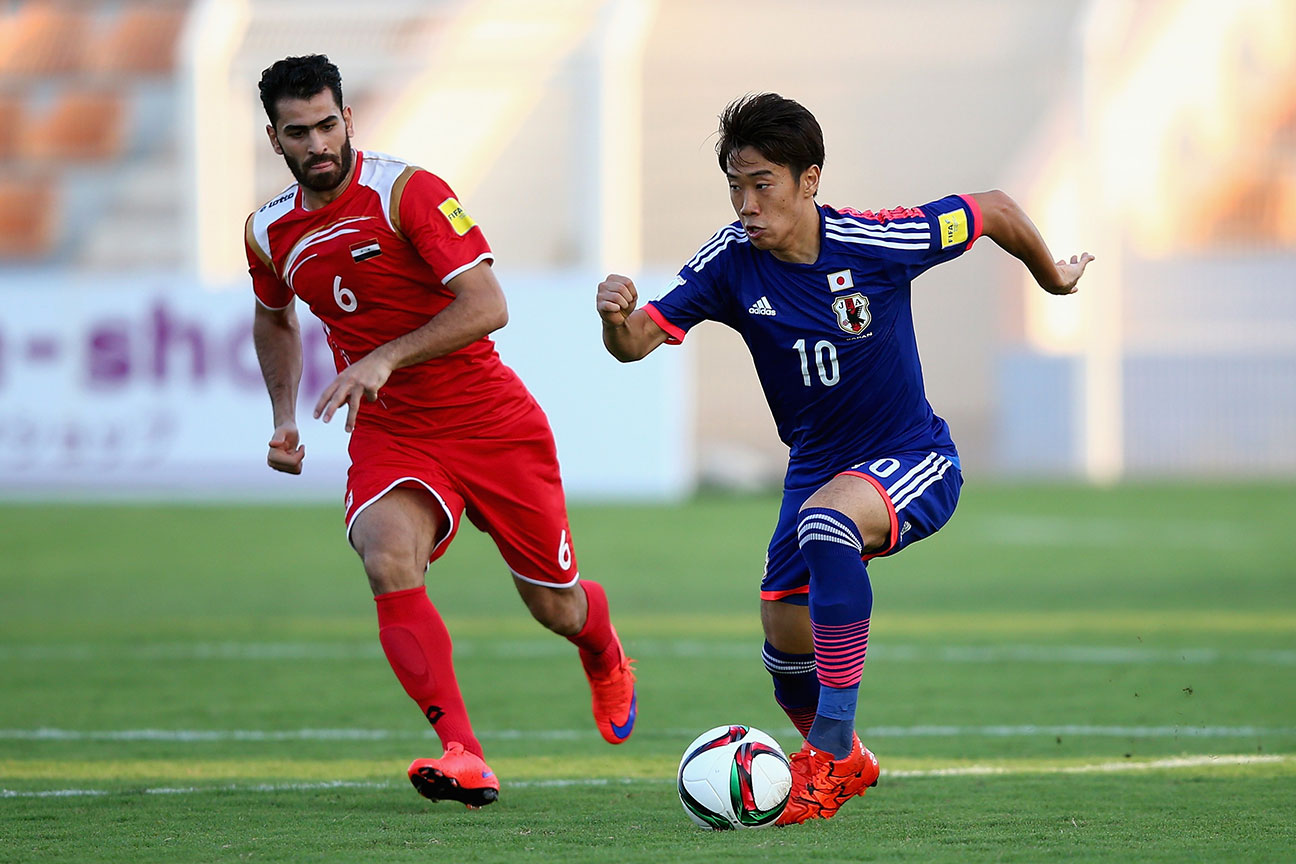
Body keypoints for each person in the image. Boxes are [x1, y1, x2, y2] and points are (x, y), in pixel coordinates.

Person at [596, 93, 1091, 826]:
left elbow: (992, 208)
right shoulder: (731, 263)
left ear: (810, 180)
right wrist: (614, 321)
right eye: (735, 186)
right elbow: (637, 342)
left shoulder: (879, 241)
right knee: (781, 634)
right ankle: (846, 759)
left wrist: (1051, 275)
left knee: (827, 528)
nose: (746, 204)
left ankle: (825, 754)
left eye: (762, 184)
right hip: (817, 469)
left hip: (911, 455)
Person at [245, 54, 637, 809]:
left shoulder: (408, 192)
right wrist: (284, 417)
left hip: (491, 423)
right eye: (300, 133)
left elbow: (488, 304)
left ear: (349, 119)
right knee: (386, 556)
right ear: (276, 140)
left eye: (329, 125)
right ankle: (463, 752)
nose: (318, 143)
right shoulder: (268, 231)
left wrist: (384, 357)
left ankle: (603, 649)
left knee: (555, 605)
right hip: (393, 434)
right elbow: (273, 316)